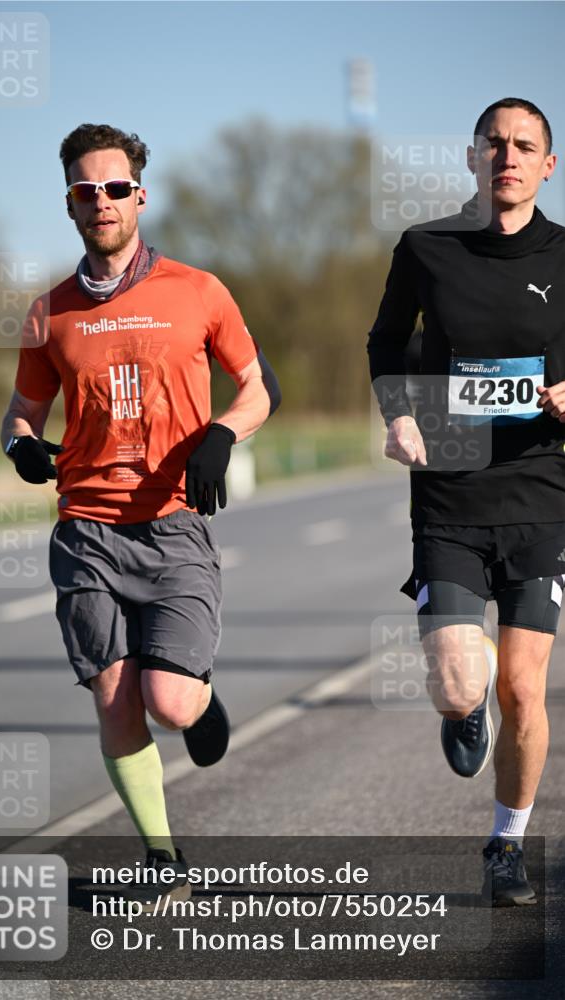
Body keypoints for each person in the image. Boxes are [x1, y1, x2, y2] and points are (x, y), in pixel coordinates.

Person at [0, 124, 280, 904]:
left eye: (114, 188)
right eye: (85, 191)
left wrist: (223, 433)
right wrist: (20, 446)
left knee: (170, 703)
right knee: (114, 695)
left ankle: (196, 692)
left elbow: (259, 387)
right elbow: (19, 414)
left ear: (139, 196)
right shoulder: (48, 313)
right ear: (69, 203)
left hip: (172, 524)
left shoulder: (198, 290)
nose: (101, 203)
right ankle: (162, 857)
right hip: (85, 528)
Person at [368, 98, 564, 906]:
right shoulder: (426, 247)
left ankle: (504, 845)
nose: (507, 156)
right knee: (457, 685)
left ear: (546, 166)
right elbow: (385, 340)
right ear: (472, 157)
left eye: (524, 146)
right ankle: (461, 707)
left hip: (543, 493)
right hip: (447, 491)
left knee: (523, 685)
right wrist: (400, 415)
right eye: (494, 143)